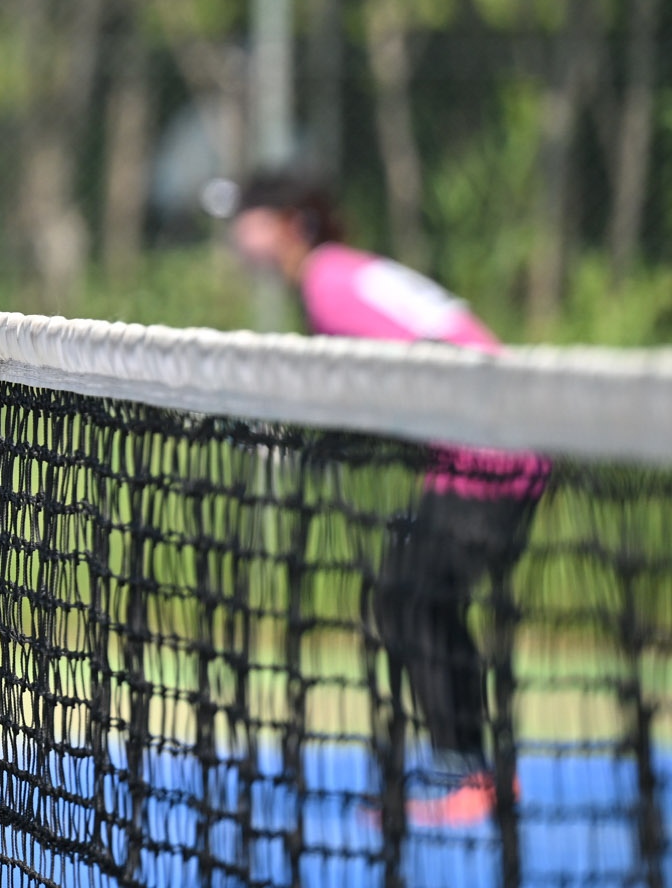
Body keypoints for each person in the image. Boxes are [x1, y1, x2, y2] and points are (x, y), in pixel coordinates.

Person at [224, 170, 548, 828]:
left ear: (289, 223)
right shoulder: (341, 273)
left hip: (492, 447)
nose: (237, 236)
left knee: (413, 597)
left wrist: (303, 441)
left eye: (248, 219)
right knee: (413, 595)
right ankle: (471, 768)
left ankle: (472, 773)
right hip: (482, 445)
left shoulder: (326, 284)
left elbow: (394, 380)